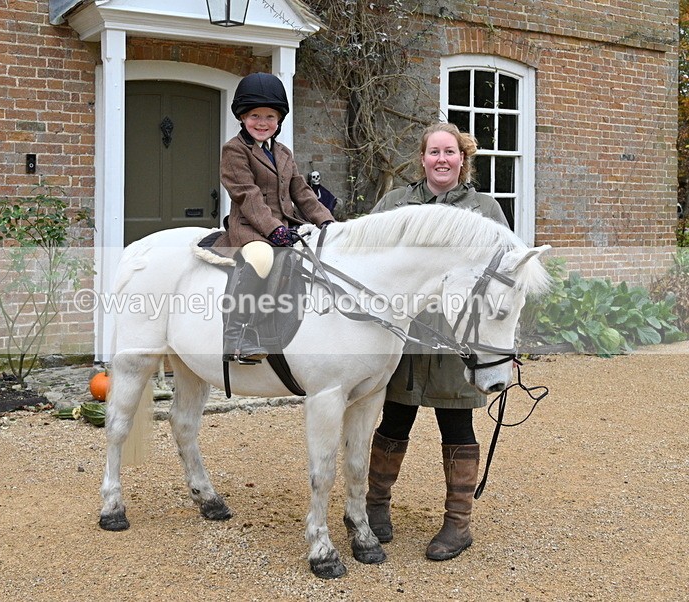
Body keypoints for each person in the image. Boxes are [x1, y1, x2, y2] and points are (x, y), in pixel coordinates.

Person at [366, 122, 509, 561]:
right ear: (423, 158)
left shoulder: (484, 209)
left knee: (457, 425)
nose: (442, 159)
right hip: (403, 336)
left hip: (456, 340)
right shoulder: (394, 204)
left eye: (450, 151)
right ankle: (374, 509)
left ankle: (458, 523)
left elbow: (505, 274)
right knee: (394, 420)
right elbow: (366, 259)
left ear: (463, 158)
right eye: (434, 152)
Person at [212, 73, 334, 363]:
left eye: (270, 116)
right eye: (255, 115)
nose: (262, 122)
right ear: (242, 117)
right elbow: (248, 196)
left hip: (284, 228)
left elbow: (302, 192)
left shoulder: (282, 152)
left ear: (279, 120)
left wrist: (326, 221)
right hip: (251, 230)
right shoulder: (234, 150)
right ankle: (237, 334)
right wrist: (274, 230)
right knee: (262, 258)